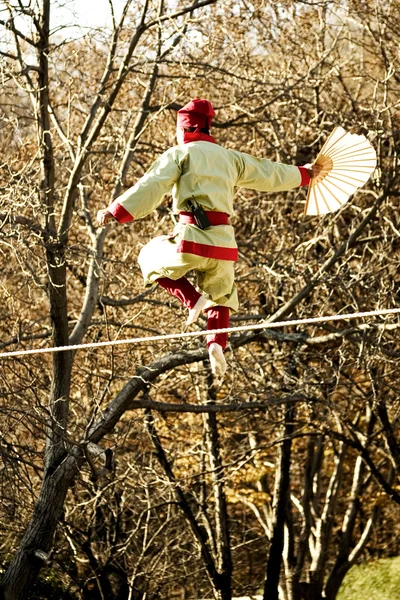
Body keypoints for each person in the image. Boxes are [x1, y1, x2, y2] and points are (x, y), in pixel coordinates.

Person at [97, 98, 320, 376]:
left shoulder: (181, 154)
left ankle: (191, 300)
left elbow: (151, 185)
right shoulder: (231, 158)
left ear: (184, 129)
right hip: (223, 244)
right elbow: (269, 172)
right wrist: (304, 174)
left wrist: (115, 210)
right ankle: (216, 343)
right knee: (222, 296)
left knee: (148, 257)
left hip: (192, 237)